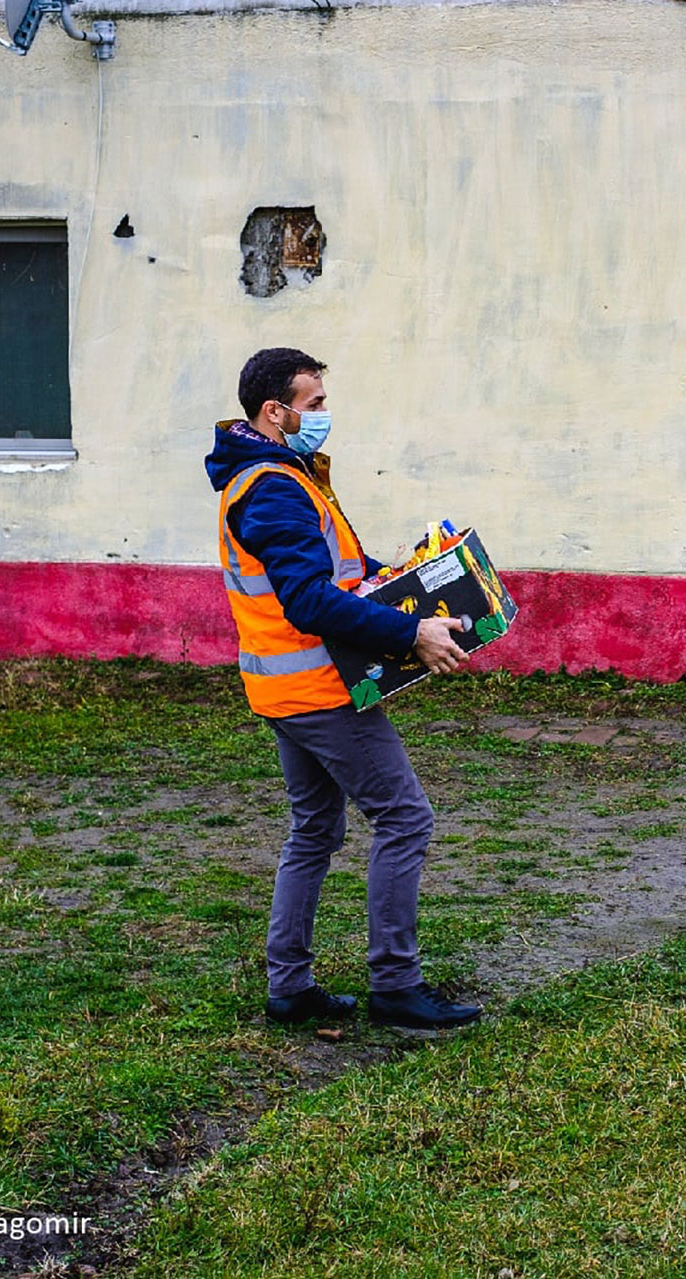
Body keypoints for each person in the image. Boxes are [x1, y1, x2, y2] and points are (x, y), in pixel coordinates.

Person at [204, 347, 483, 1032]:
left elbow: (343, 571)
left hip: (284, 692)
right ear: (276, 412)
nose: (326, 413)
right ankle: (396, 984)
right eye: (316, 403)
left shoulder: (275, 475)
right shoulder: (273, 488)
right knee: (405, 818)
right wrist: (409, 633)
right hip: (320, 691)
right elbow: (308, 600)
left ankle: (290, 987)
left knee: (316, 828)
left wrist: (413, 577)